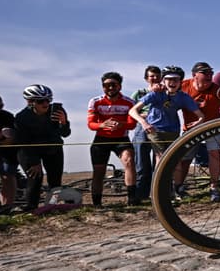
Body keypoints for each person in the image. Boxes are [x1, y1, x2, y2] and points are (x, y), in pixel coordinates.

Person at [128, 66, 202, 167]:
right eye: (169, 79)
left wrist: (199, 121)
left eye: (176, 79)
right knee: (160, 157)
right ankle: (158, 182)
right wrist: (144, 123)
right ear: (163, 80)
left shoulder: (183, 97)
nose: (172, 82)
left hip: (173, 130)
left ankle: (174, 183)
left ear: (180, 81)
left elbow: (201, 115)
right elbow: (132, 111)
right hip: (155, 129)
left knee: (173, 159)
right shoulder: (155, 94)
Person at [15, 85, 71, 211]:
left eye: (48, 100)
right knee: (35, 178)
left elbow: (65, 133)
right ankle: (31, 207)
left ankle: (52, 205)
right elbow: (23, 142)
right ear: (30, 102)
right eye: (40, 101)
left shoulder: (57, 111)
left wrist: (64, 122)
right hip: (29, 149)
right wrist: (34, 162)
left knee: (55, 179)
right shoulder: (22, 117)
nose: (45, 103)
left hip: (53, 148)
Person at [87, 72, 138, 206]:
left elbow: (132, 125)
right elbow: (90, 125)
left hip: (121, 138)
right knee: (99, 172)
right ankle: (97, 204)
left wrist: (121, 124)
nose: (110, 88)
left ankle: (132, 200)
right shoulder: (95, 101)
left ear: (119, 86)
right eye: (106, 85)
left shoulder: (129, 102)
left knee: (129, 161)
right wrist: (102, 125)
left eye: (113, 85)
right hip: (101, 139)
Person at [175, 62, 220, 202]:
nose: (209, 75)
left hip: (212, 126)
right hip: (191, 128)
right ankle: (179, 187)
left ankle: (214, 188)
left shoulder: (216, 88)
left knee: (214, 155)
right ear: (194, 75)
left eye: (211, 73)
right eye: (205, 73)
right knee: (185, 158)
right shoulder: (183, 86)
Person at [130, 65, 161, 201]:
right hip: (141, 128)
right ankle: (141, 195)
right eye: (151, 76)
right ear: (146, 79)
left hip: (159, 128)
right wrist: (142, 116)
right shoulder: (139, 93)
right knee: (141, 164)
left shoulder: (165, 92)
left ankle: (157, 193)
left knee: (159, 162)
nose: (154, 78)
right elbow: (130, 111)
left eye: (157, 75)